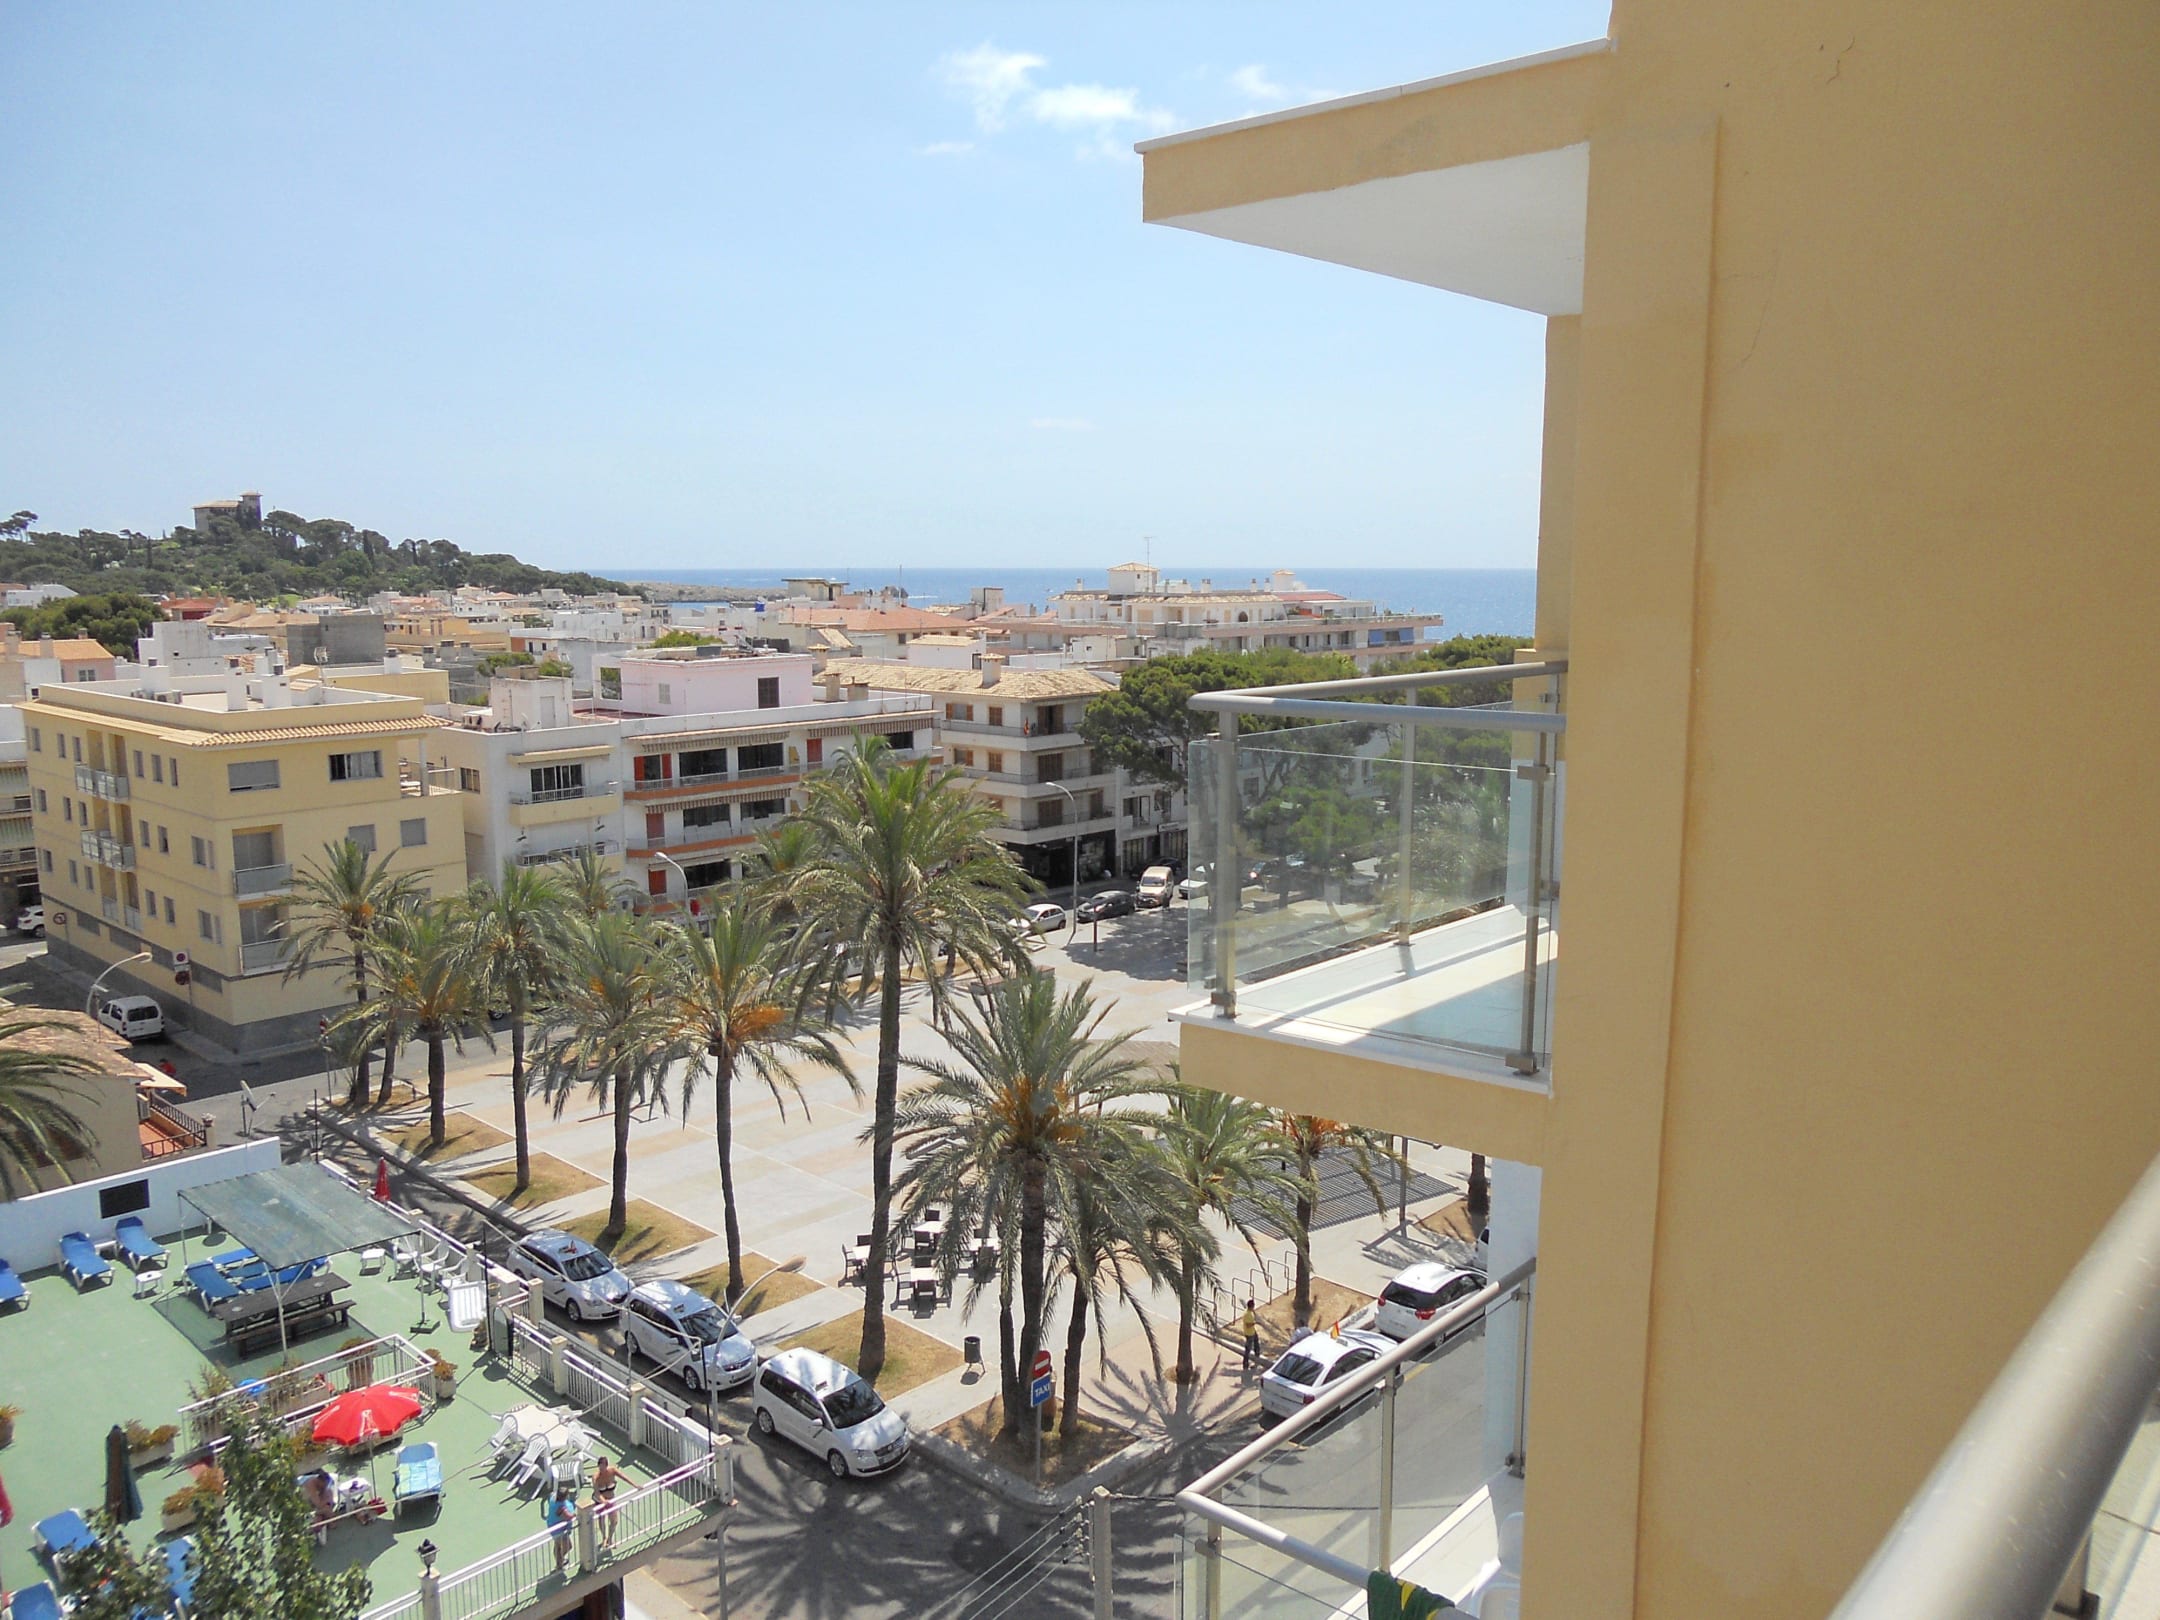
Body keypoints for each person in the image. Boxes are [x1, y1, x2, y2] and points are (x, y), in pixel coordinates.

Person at [591, 1456, 626, 1548]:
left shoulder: (612, 1471)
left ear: (607, 1466)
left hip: (610, 1499)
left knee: (614, 1521)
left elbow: (624, 1478)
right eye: (600, 1468)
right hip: (599, 1501)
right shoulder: (595, 1477)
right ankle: (604, 1538)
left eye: (603, 1468)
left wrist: (636, 1485)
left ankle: (610, 1539)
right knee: (602, 1520)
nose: (601, 1470)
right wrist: (603, 1501)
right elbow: (597, 1493)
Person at [544, 1482, 577, 1572]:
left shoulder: (553, 1498)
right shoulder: (561, 1508)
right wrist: (575, 1515)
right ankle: (560, 1561)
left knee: (558, 1546)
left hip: (553, 1526)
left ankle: (559, 1562)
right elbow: (568, 1516)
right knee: (567, 1546)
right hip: (559, 1531)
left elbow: (550, 1494)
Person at [1241, 1298, 1261, 1373]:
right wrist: (1254, 1323)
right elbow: (1248, 1325)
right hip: (1249, 1333)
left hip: (1253, 1332)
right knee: (1248, 1349)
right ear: (1251, 1306)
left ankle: (1257, 1356)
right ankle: (1245, 1363)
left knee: (1256, 1343)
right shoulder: (1247, 1314)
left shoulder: (1250, 1312)